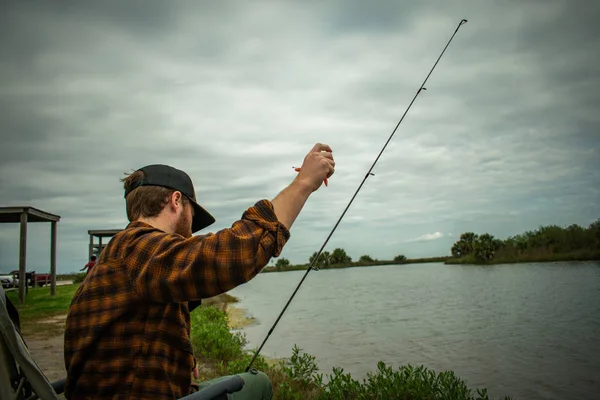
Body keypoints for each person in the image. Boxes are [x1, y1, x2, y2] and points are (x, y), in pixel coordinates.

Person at [63, 143, 335, 400]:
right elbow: (229, 257)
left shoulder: (125, 256)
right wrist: (303, 184)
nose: (192, 228)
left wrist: (184, 359)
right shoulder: (137, 247)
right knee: (260, 383)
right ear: (176, 201)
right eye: (193, 213)